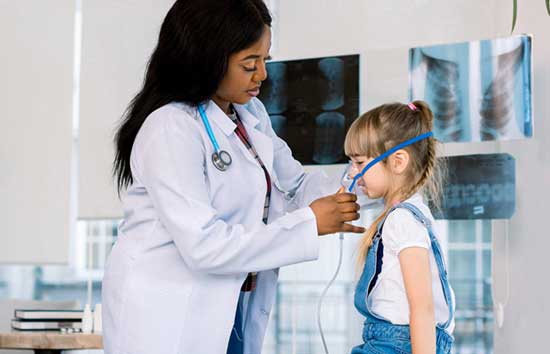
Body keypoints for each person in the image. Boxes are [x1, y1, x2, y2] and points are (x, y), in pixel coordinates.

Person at [103, 1, 364, 354]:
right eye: (249, 64)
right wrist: (309, 225)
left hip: (232, 305)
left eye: (265, 61)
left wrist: (363, 177)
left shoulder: (249, 113)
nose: (262, 76)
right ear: (206, 58)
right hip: (169, 314)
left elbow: (294, 186)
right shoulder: (170, 128)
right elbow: (204, 246)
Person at [343, 101, 455, 354]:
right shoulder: (410, 214)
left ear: (398, 161)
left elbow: (422, 308)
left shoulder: (402, 220)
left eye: (359, 163)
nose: (352, 173)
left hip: (395, 344)